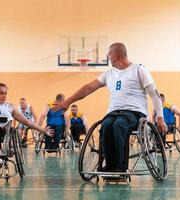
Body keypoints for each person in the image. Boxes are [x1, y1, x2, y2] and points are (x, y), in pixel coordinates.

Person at [53, 42, 166, 172]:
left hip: (134, 113)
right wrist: (68, 101)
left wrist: (160, 118)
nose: (108, 57)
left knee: (119, 125)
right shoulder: (109, 73)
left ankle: (120, 168)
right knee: (106, 126)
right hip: (114, 112)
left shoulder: (139, 69)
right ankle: (110, 166)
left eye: (109, 54)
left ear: (116, 55)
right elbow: (89, 88)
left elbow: (154, 95)